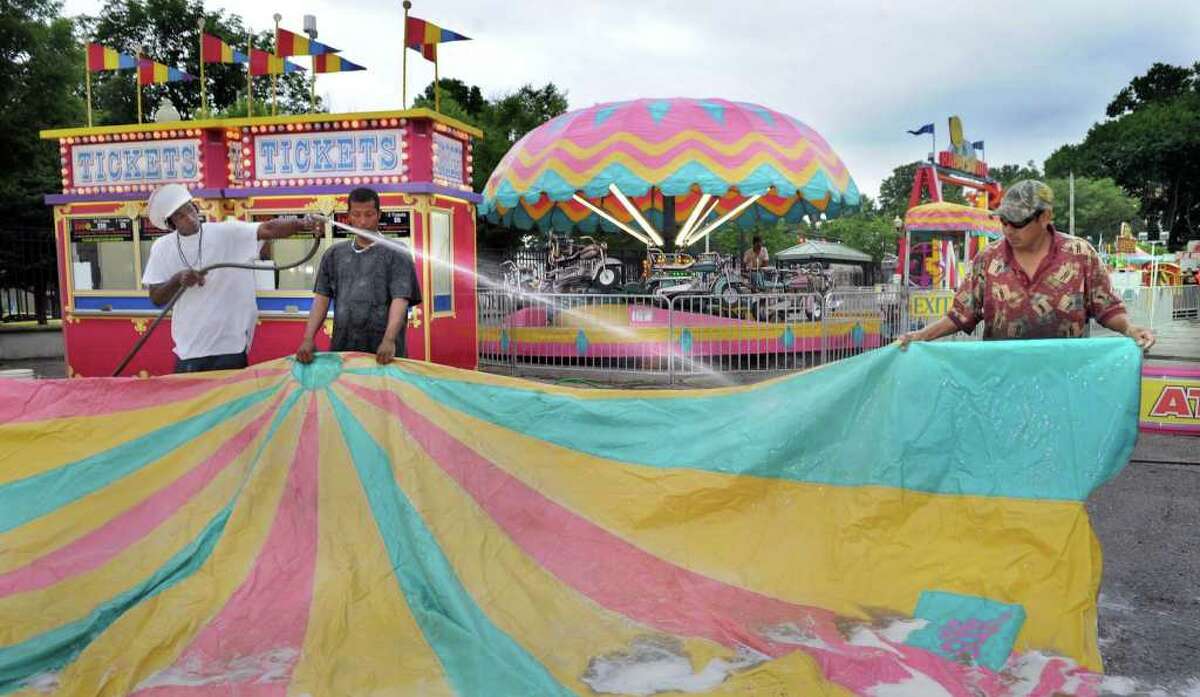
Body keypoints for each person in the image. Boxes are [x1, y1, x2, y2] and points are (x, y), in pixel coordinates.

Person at [898, 180, 1155, 349]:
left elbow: (1107, 307)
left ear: (1045, 217)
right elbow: (959, 314)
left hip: (1064, 379)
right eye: (1003, 221)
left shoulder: (1080, 254)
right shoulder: (988, 259)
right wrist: (920, 336)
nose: (1008, 229)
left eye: (1017, 222)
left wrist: (1130, 329)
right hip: (1001, 377)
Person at [142, 183, 318, 373]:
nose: (189, 216)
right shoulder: (162, 248)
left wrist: (304, 224)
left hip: (230, 346)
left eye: (189, 208)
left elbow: (268, 229)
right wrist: (177, 280)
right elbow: (156, 298)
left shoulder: (225, 232)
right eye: (180, 215)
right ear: (171, 223)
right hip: (189, 349)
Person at [295, 187, 422, 365]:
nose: (363, 222)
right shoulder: (334, 254)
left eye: (369, 214)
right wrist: (308, 338)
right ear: (348, 217)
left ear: (379, 215)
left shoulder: (397, 252)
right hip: (344, 351)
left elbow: (400, 300)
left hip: (384, 353)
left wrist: (389, 340)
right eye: (356, 215)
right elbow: (322, 299)